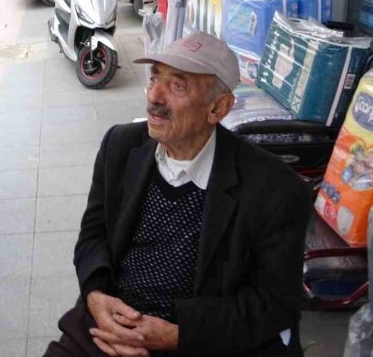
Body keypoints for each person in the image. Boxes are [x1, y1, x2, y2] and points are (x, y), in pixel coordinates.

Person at [45, 33, 312, 357]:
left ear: (218, 107)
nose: (155, 96)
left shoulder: (274, 189)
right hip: (111, 323)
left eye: (178, 86)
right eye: (154, 77)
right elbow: (93, 235)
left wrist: (178, 335)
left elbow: (275, 303)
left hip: (202, 338)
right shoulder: (120, 146)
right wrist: (95, 295)